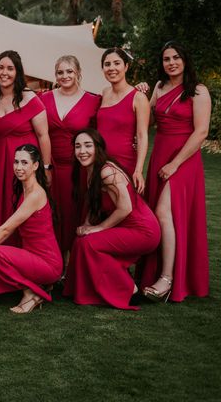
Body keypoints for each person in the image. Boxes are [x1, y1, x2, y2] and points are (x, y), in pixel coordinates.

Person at [139, 42, 211, 302]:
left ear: (184, 60)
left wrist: (175, 163)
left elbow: (201, 132)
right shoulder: (159, 87)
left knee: (163, 212)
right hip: (160, 154)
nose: (171, 62)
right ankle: (156, 271)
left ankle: (167, 279)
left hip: (184, 159)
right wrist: (140, 95)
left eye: (176, 58)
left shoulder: (198, 91)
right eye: (166, 59)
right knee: (159, 215)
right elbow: (147, 122)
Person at [63, 129, 160, 310]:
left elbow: (125, 208)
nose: (82, 151)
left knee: (89, 244)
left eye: (87, 145)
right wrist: (86, 225)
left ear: (98, 148)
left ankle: (129, 290)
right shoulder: (91, 170)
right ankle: (85, 290)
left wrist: (99, 228)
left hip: (143, 230)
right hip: (127, 227)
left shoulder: (107, 171)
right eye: (77, 146)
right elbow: (95, 203)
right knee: (81, 240)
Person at [0, 145, 62, 313]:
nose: (18, 167)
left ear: (35, 166)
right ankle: (35, 288)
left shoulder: (35, 194)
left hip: (48, 263)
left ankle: (33, 293)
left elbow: (6, 228)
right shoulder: (25, 189)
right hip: (33, 256)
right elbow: (10, 230)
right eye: (16, 162)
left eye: (24, 162)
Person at [41, 55, 100, 263]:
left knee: (76, 214)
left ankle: (74, 265)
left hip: (80, 168)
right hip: (51, 167)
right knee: (51, 216)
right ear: (55, 75)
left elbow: (103, 132)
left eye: (69, 71)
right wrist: (45, 167)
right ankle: (53, 262)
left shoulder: (94, 101)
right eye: (60, 72)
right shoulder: (44, 98)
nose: (65, 76)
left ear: (78, 73)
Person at [0, 50, 51, 236]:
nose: (4, 73)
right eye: (0, 68)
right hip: (2, 163)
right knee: (3, 208)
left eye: (10, 68)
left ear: (18, 72)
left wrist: (46, 168)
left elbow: (43, 135)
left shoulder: (29, 98)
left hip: (27, 163)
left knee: (23, 207)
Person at [96, 48, 150, 193]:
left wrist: (138, 170)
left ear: (126, 66)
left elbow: (142, 135)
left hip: (125, 161)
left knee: (125, 206)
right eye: (107, 64)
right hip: (100, 160)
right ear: (103, 68)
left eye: (117, 63)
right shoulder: (104, 92)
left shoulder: (138, 98)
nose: (112, 68)